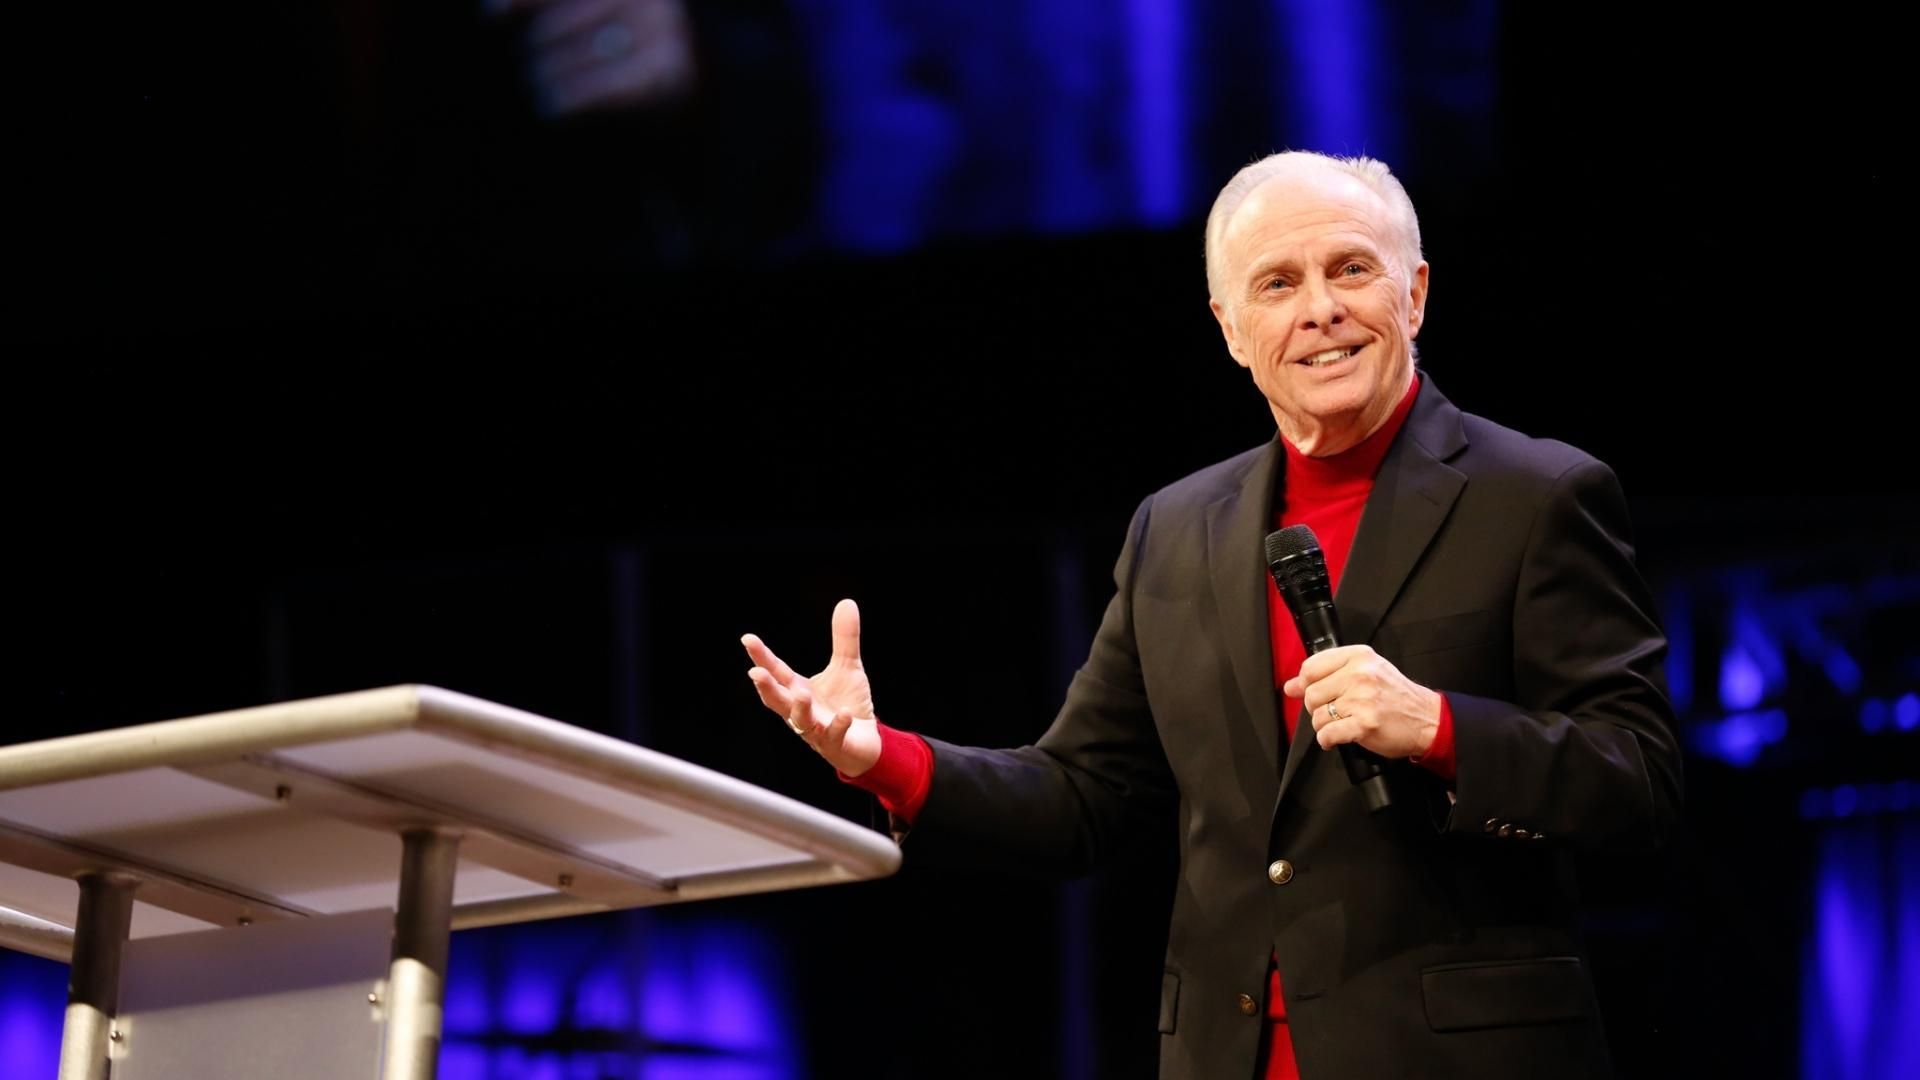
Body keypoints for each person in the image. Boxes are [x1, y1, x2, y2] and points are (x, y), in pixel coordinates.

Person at [740, 150, 1682, 1079]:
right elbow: (1080, 798)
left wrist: (1440, 728)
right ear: (1231, 328)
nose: (1320, 309)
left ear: (1416, 293)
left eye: (1351, 269)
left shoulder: (1537, 495)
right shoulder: (1176, 527)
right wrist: (881, 757)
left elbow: (1638, 781)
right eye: (1277, 283)